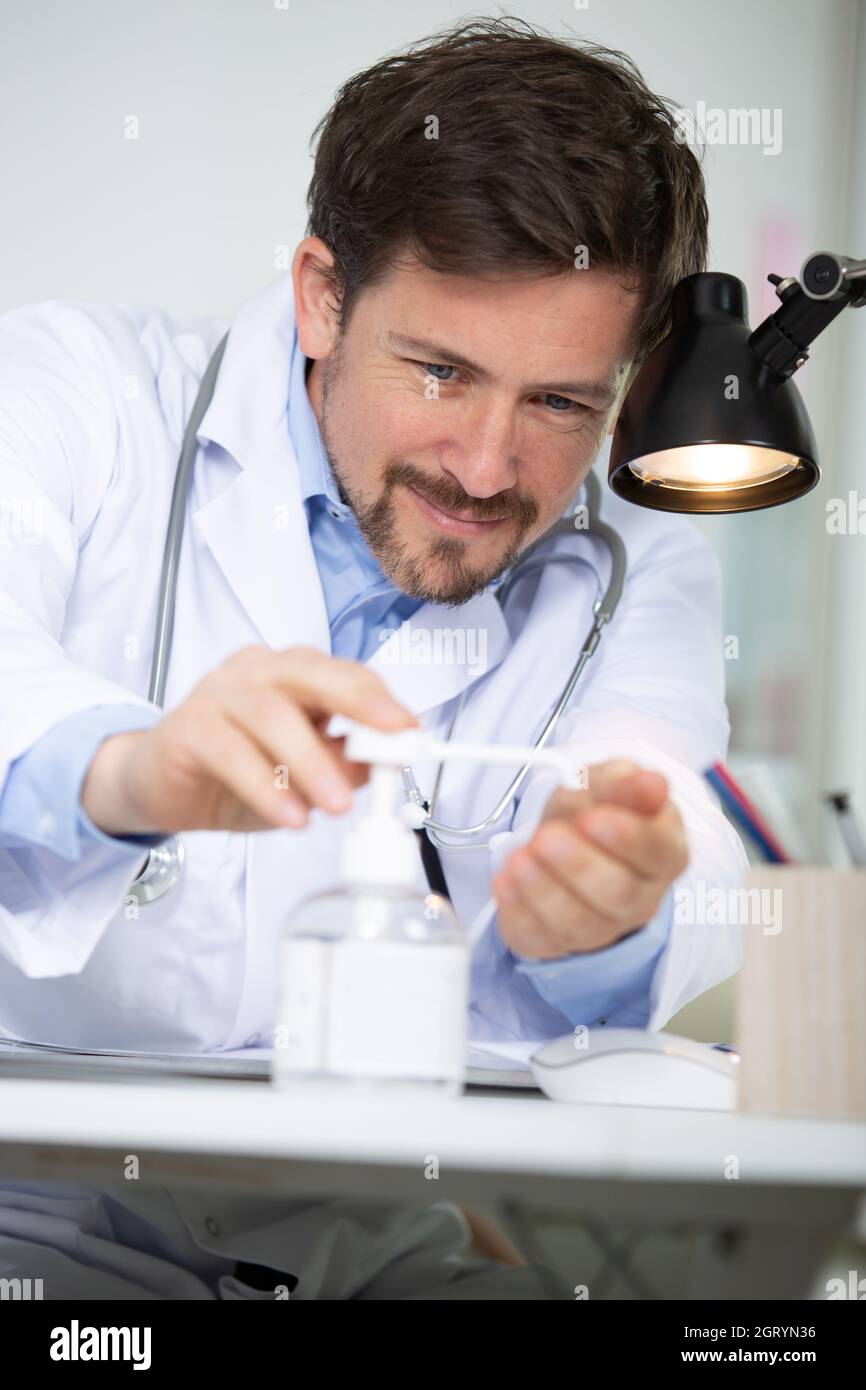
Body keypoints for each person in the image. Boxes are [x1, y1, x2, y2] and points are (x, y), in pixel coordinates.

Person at [0, 18, 747, 1299]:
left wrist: (613, 906)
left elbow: (659, 799)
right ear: (320, 293)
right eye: (441, 372)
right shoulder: (74, 390)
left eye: (561, 402)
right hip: (33, 1196)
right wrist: (127, 770)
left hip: (353, 1230)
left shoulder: (634, 552)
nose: (484, 467)